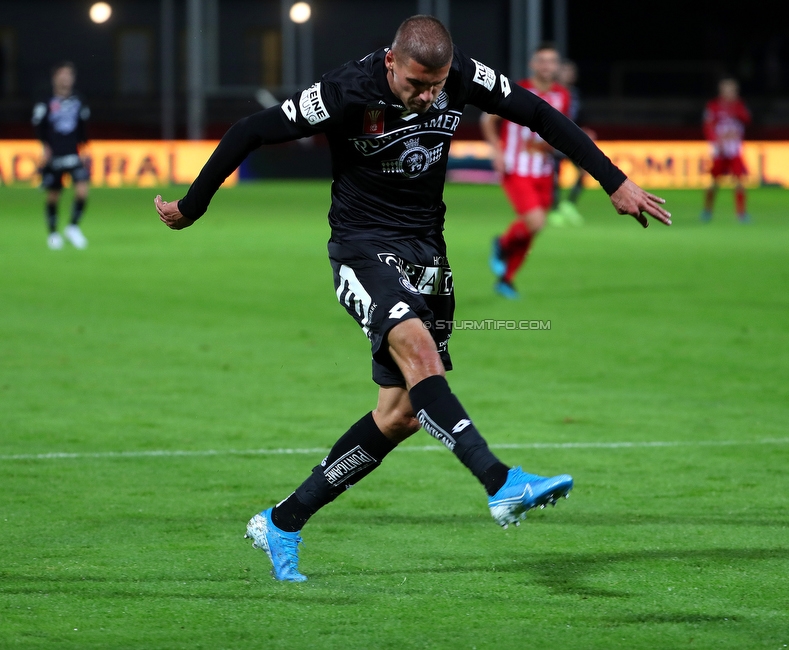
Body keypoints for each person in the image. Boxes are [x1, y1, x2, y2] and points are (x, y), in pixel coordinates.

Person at [154, 16, 670, 582]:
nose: (429, 97)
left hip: (428, 255)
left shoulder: (462, 76)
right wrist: (194, 205)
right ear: (392, 62)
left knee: (398, 415)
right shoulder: (344, 91)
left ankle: (283, 520)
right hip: (362, 250)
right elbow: (251, 129)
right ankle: (501, 482)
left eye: (438, 86)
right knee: (419, 353)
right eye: (417, 85)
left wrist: (613, 180)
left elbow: (539, 114)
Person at [482, 43, 570, 299]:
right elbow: (488, 119)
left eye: (551, 61)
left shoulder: (561, 95)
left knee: (534, 228)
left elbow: (556, 131)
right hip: (515, 167)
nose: (546, 66)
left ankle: (506, 279)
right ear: (533, 64)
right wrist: (496, 150)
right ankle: (502, 244)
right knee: (535, 221)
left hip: (543, 171)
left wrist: (551, 145)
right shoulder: (517, 89)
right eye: (542, 60)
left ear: (557, 66)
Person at [33, 61, 91, 250]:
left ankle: (73, 227)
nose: (66, 78)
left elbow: (83, 128)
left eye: (69, 75)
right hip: (55, 155)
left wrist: (84, 148)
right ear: (55, 78)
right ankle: (53, 233)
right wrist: (45, 147)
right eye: (62, 75)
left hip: (74, 153)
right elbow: (38, 126)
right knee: (53, 196)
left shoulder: (79, 100)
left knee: (82, 191)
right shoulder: (46, 101)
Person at [701, 78, 751, 223]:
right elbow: (708, 126)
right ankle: (707, 211)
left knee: (740, 181)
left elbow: (747, 119)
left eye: (733, 90)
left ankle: (741, 214)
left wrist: (736, 110)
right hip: (720, 152)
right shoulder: (713, 106)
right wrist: (716, 142)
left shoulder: (739, 105)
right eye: (727, 90)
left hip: (734, 150)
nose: (730, 93)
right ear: (721, 91)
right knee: (714, 183)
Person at [548, 60, 590, 227]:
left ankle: (570, 204)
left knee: (584, 170)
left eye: (572, 71)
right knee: (555, 176)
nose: (570, 74)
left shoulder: (575, 94)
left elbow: (580, 116)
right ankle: (555, 210)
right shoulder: (552, 92)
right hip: (556, 139)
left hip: (573, 139)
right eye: (566, 71)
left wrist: (585, 130)